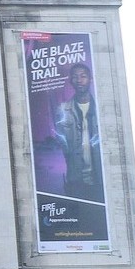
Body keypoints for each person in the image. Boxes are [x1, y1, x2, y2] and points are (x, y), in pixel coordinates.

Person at [53, 63, 101, 199]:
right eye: (75, 77)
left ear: (90, 79)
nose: (79, 80)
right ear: (70, 81)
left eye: (83, 76)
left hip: (100, 178)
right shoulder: (63, 110)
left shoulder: (102, 109)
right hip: (76, 179)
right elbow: (62, 143)